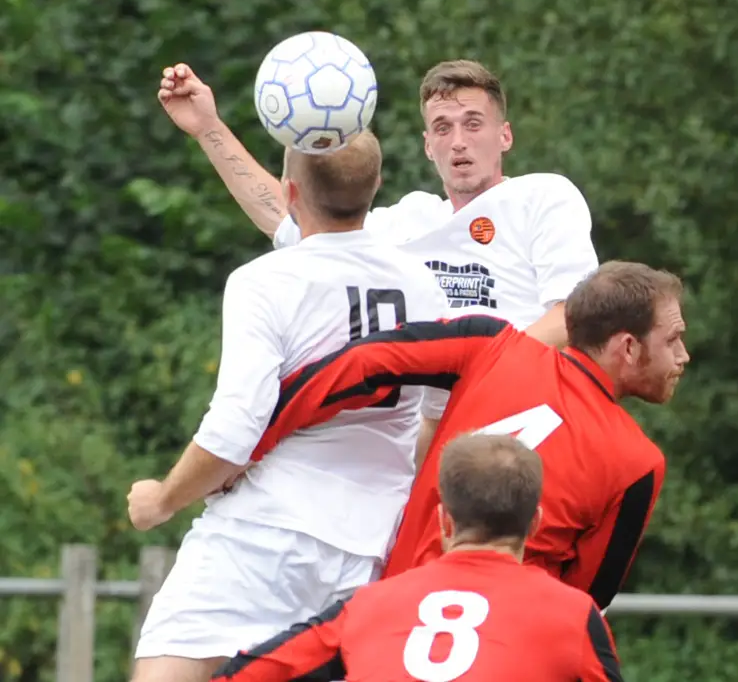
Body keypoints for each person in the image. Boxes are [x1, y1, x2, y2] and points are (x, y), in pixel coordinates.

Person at [156, 57, 600, 459]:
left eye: (474, 123)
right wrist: (208, 128)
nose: (459, 141)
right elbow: (290, 219)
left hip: (526, 430)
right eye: (444, 128)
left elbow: (573, 315)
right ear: (428, 146)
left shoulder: (543, 196)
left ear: (505, 136)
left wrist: (476, 371)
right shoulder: (409, 221)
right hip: (436, 448)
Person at [125, 132, 448, 682]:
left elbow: (235, 428)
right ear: (376, 187)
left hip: (265, 535)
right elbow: (440, 418)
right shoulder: (423, 286)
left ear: (290, 192)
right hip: (371, 550)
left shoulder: (265, 281)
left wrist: (163, 499)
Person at [249, 260, 686, 611]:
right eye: (673, 340)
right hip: (504, 656)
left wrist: (252, 442)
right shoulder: (638, 464)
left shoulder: (490, 344)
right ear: (627, 347)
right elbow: (584, 601)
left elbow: (364, 362)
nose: (683, 356)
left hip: (388, 634)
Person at [211, 433, 626, 682]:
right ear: (535, 524)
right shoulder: (574, 615)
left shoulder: (367, 606)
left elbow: (244, 675)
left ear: (443, 522)